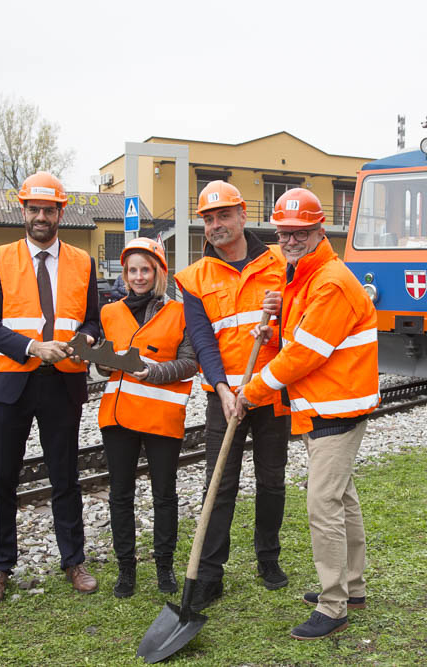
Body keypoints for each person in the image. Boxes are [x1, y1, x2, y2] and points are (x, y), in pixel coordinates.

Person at [235, 188, 379, 640]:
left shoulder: (330, 281)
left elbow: (304, 354)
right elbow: (301, 334)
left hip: (336, 408)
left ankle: (334, 605)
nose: (289, 240)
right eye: (283, 232)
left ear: (319, 230)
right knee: (342, 500)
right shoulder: (306, 275)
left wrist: (252, 391)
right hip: (325, 405)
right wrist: (277, 314)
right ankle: (351, 588)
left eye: (298, 232)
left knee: (322, 506)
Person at [0, 171, 101, 606]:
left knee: (65, 476)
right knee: (2, 479)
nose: (42, 216)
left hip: (63, 383)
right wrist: (33, 347)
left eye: (49, 209)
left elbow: (91, 320)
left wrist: (83, 340)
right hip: (10, 383)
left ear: (60, 212)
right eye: (35, 209)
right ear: (23, 211)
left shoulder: (83, 261)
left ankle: (74, 561)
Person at [173, 180, 289, 610]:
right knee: (218, 484)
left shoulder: (281, 264)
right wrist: (222, 389)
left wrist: (278, 319)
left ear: (243, 215)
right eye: (209, 218)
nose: (217, 224)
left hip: (272, 390)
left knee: (271, 480)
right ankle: (209, 573)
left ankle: (268, 559)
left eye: (224, 215)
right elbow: (202, 341)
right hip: (225, 397)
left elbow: (298, 324)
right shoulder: (194, 278)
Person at [96, 237, 196, 598]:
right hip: (119, 416)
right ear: (125, 275)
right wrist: (100, 363)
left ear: (158, 272)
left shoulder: (180, 313)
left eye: (145, 269)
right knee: (120, 495)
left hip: (161, 416)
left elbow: (189, 363)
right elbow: (104, 361)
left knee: (164, 495)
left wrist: (151, 373)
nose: (138, 276)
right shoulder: (109, 312)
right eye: (132, 270)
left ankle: (164, 568)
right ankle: (126, 571)